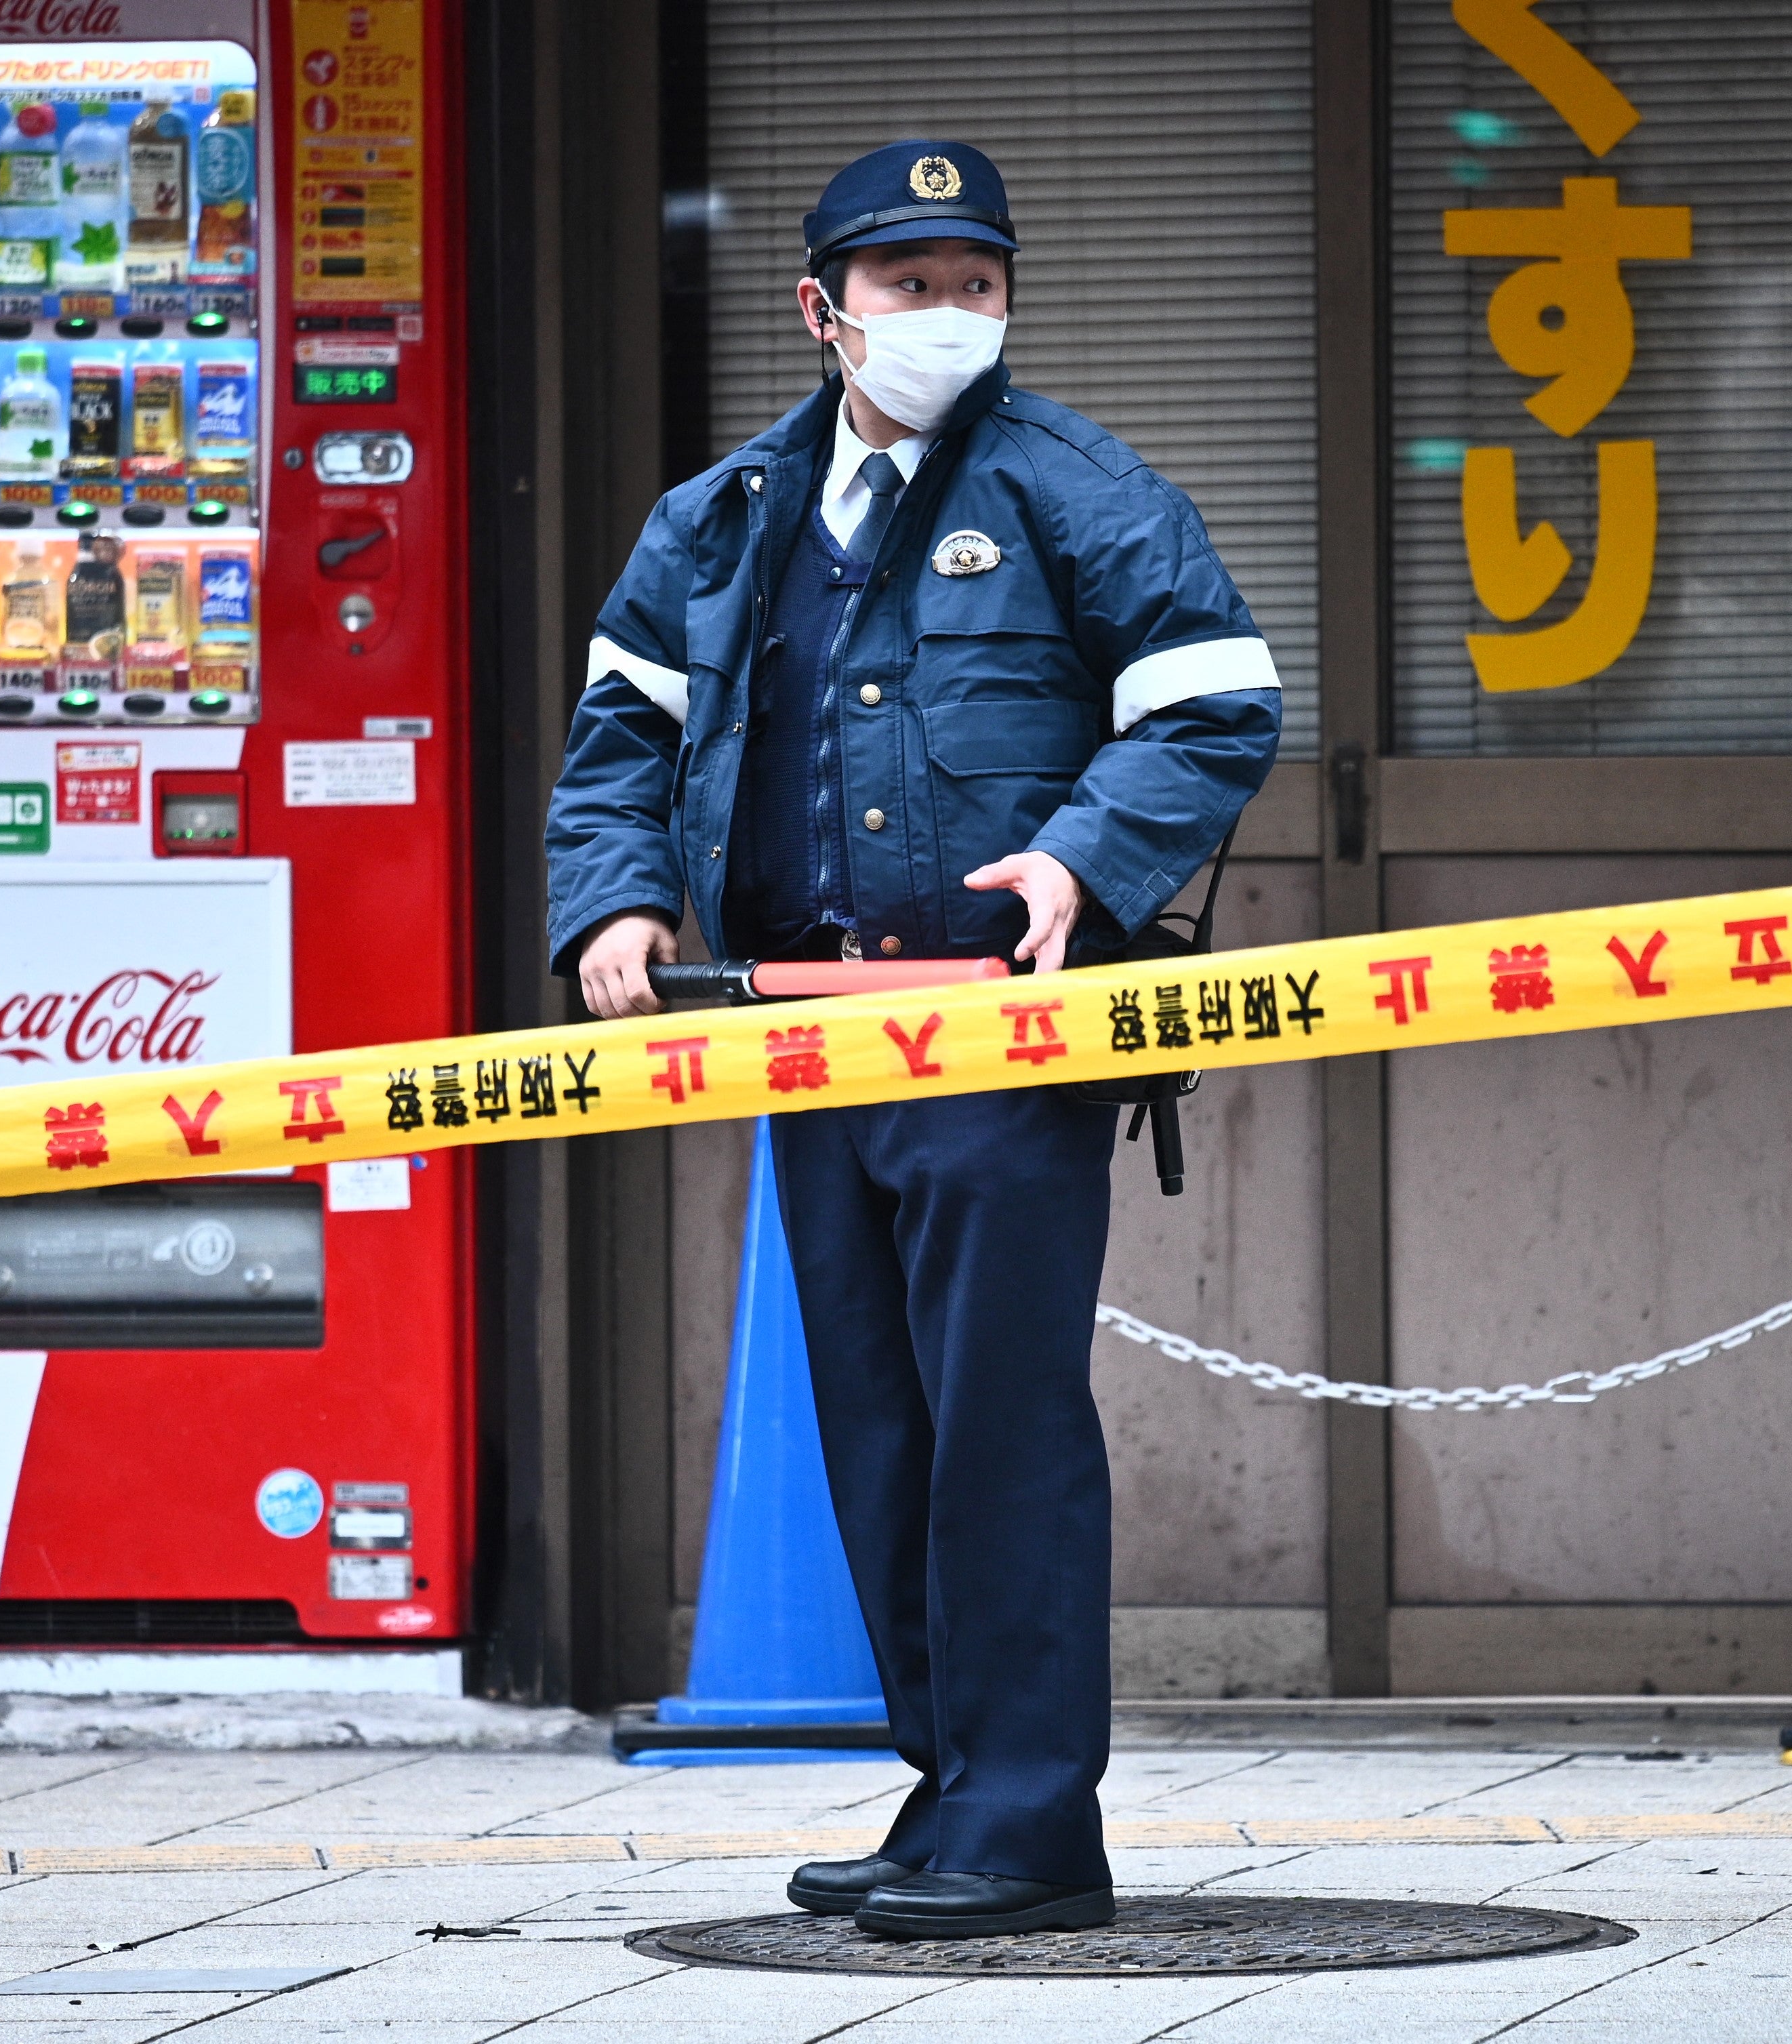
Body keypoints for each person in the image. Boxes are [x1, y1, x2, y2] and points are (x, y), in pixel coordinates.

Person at [544, 140, 1279, 1938]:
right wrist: (616, 904)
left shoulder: (1071, 488)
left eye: (975, 282)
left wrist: (1081, 853)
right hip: (804, 1039)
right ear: (824, 311)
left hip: (994, 1041)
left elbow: (1212, 704)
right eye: (908, 284)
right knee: (878, 1423)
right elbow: (619, 739)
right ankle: (950, 1787)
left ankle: (1031, 1828)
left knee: (1000, 1430)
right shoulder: (724, 519)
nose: (946, 313)